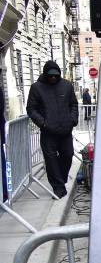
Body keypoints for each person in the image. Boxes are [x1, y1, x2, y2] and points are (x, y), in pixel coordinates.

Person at [26, 61, 78, 198]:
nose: (53, 78)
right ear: (45, 75)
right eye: (50, 76)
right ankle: (58, 186)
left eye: (56, 76)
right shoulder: (36, 88)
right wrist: (43, 123)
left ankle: (61, 179)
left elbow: (73, 104)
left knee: (68, 154)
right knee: (51, 160)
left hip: (65, 130)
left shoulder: (67, 85)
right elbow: (31, 109)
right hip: (48, 132)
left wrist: (72, 120)